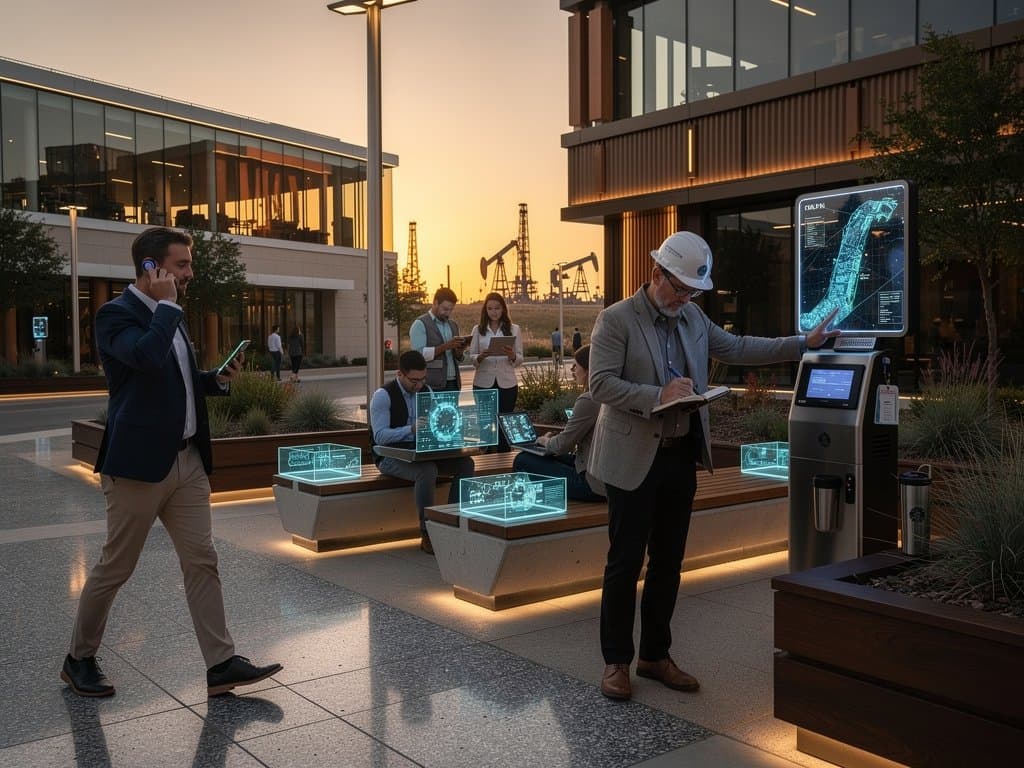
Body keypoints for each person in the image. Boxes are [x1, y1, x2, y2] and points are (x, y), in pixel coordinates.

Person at [587, 231, 839, 701]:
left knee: (669, 563)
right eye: (677, 289)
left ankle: (655, 655)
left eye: (691, 293)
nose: (683, 299)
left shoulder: (694, 318)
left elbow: (739, 348)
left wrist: (802, 343)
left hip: (680, 456)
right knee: (624, 564)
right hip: (630, 459)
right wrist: (656, 395)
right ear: (655, 272)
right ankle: (616, 661)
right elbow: (600, 385)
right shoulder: (615, 320)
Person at [62, 227, 282, 699]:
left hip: (187, 463)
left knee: (203, 561)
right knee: (115, 567)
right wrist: (164, 308)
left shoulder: (172, 315)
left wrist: (214, 380)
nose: (189, 273)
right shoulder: (114, 316)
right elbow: (143, 359)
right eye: (181, 265)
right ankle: (79, 658)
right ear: (150, 268)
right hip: (138, 466)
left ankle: (221, 663)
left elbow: (174, 376)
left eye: (188, 264)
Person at [369, 350, 475, 555]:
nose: (418, 385)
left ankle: (451, 522)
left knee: (466, 464)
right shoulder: (383, 396)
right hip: (389, 455)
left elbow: (436, 424)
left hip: (422, 452)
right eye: (414, 380)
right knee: (426, 471)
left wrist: (449, 429)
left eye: (422, 379)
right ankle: (426, 532)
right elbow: (379, 437)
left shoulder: (426, 390)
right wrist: (410, 430)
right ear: (400, 374)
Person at [512, 344, 605, 501]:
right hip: (605, 476)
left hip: (593, 485)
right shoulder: (609, 395)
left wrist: (544, 440)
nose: (573, 370)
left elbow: (563, 446)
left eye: (575, 366)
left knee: (523, 460)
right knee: (546, 455)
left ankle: (527, 505)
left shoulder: (589, 400)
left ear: (588, 369)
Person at [469, 292, 523, 452]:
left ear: (503, 309)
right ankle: (486, 461)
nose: (494, 312)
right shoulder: (478, 330)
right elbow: (471, 357)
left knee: (504, 423)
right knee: (486, 423)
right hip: (483, 382)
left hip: (507, 383)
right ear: (485, 310)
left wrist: (512, 355)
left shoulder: (514, 329)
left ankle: (504, 460)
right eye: (490, 308)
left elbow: (520, 358)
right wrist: (481, 356)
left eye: (497, 308)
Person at [409, 287, 468, 392]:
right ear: (435, 302)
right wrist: (446, 346)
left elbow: (457, 357)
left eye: (451, 310)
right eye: (445, 309)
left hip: (453, 383)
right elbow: (418, 355)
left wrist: (460, 350)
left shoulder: (453, 325)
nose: (448, 313)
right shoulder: (420, 324)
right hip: (431, 385)